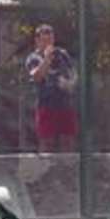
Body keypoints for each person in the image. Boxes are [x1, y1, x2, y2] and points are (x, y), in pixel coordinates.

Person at [25, 24, 78, 153]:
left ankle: (68, 165)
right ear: (37, 40)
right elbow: (37, 77)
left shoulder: (62, 54)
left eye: (51, 40)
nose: (49, 43)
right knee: (47, 142)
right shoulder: (33, 58)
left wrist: (70, 83)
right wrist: (47, 59)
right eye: (45, 40)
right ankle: (46, 166)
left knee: (68, 140)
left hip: (65, 104)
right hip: (46, 105)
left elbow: (74, 73)